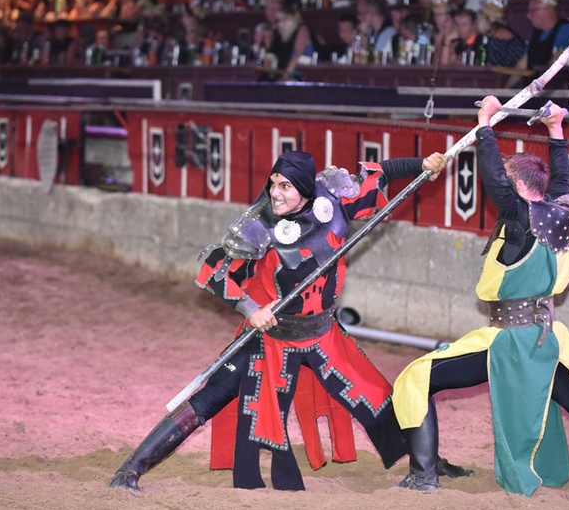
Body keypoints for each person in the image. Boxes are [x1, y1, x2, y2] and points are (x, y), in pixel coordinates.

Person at [108, 150, 460, 492]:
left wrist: (422, 165)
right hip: (270, 340)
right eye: (273, 183)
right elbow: (213, 271)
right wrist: (251, 310)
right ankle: (130, 470)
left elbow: (380, 172)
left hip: (323, 334)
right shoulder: (259, 225)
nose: (275, 192)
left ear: (305, 189)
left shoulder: (333, 198)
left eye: (285, 186)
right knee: (209, 399)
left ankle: (429, 464)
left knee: (378, 397)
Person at [391, 95, 569, 498]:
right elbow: (561, 177)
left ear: (517, 186)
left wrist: (485, 124)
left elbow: (494, 180)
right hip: (549, 341)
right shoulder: (559, 210)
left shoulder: (521, 222)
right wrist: (556, 129)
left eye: (509, 181)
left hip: (510, 343)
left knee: (416, 376)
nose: (503, 187)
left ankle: (424, 475)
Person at [514, 0, 569, 72]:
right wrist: (505, 85)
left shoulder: (567, 30)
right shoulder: (536, 32)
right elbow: (522, 65)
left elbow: (558, 66)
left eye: (533, 11)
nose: (528, 16)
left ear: (547, 10)